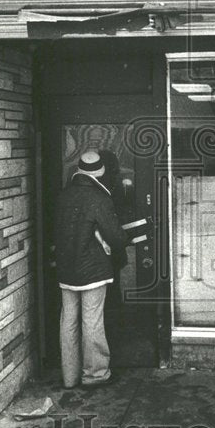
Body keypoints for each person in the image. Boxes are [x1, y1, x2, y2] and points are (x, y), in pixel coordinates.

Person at [53, 150, 129, 389]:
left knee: (68, 320)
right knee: (92, 320)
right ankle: (95, 374)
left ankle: (69, 376)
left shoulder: (63, 196)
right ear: (100, 173)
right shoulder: (99, 198)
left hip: (66, 269)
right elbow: (116, 238)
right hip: (93, 271)